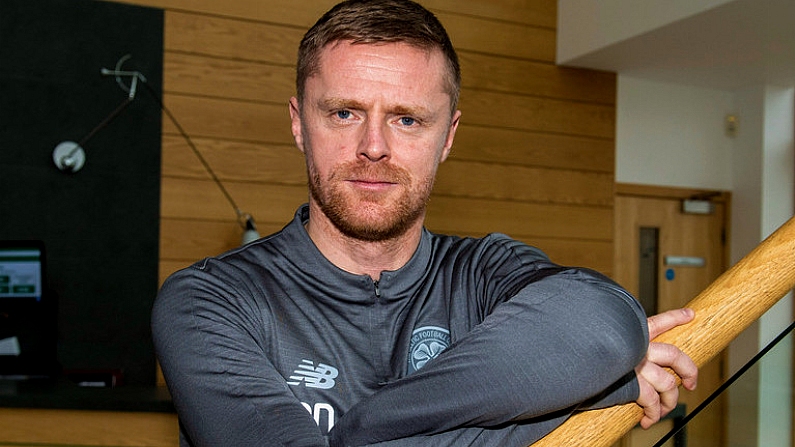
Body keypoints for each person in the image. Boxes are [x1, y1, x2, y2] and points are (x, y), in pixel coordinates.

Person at [152, 1, 698, 446]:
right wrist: (584, 393)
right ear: (299, 124)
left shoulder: (485, 273)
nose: (373, 148)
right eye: (344, 113)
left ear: (449, 137)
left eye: (407, 119)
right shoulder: (210, 300)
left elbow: (601, 323)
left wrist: (354, 433)